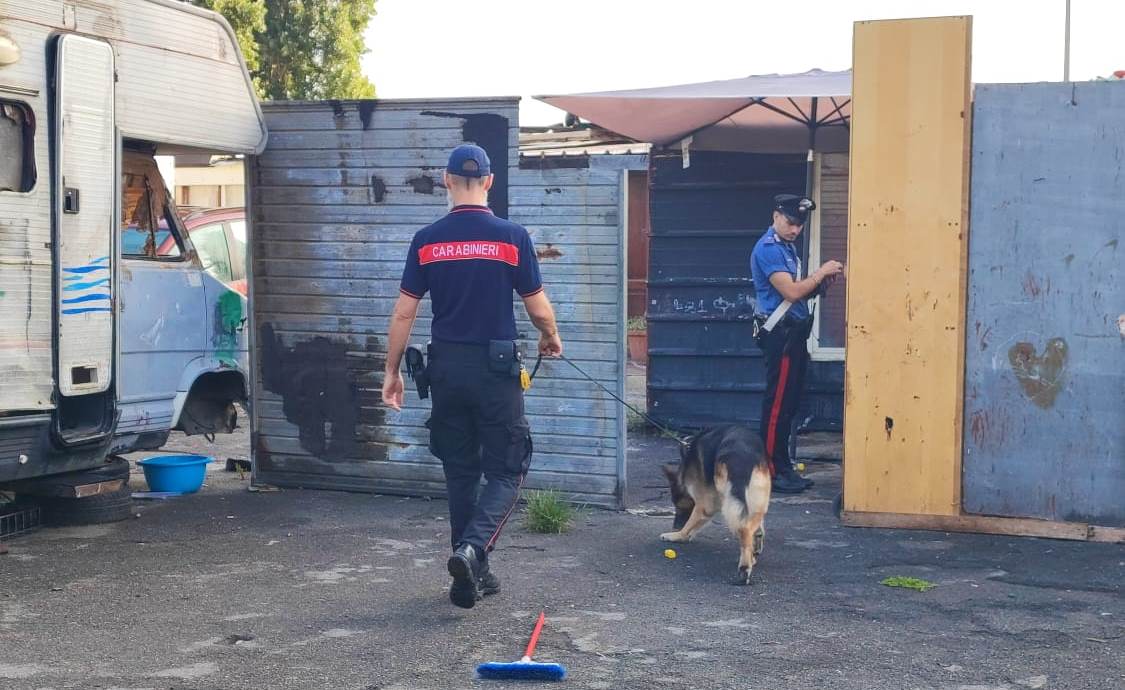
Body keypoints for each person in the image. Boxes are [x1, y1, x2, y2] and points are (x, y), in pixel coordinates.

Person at [381, 144, 563, 609]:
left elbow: (404, 313)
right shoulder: (511, 237)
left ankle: (470, 574)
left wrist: (392, 370)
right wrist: (551, 336)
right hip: (495, 370)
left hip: (445, 369)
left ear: (446, 180)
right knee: (508, 467)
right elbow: (537, 304)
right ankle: (472, 549)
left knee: (460, 472)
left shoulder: (427, 240)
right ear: (489, 182)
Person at [750, 194, 844, 494]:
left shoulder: (786, 248)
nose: (795, 230)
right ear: (776, 215)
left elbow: (799, 294)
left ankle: (782, 465)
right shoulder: (768, 250)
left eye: (799, 225)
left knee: (788, 404)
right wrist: (819, 274)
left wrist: (818, 286)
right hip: (781, 336)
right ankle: (770, 470)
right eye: (790, 223)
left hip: (794, 334)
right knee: (777, 406)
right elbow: (791, 292)